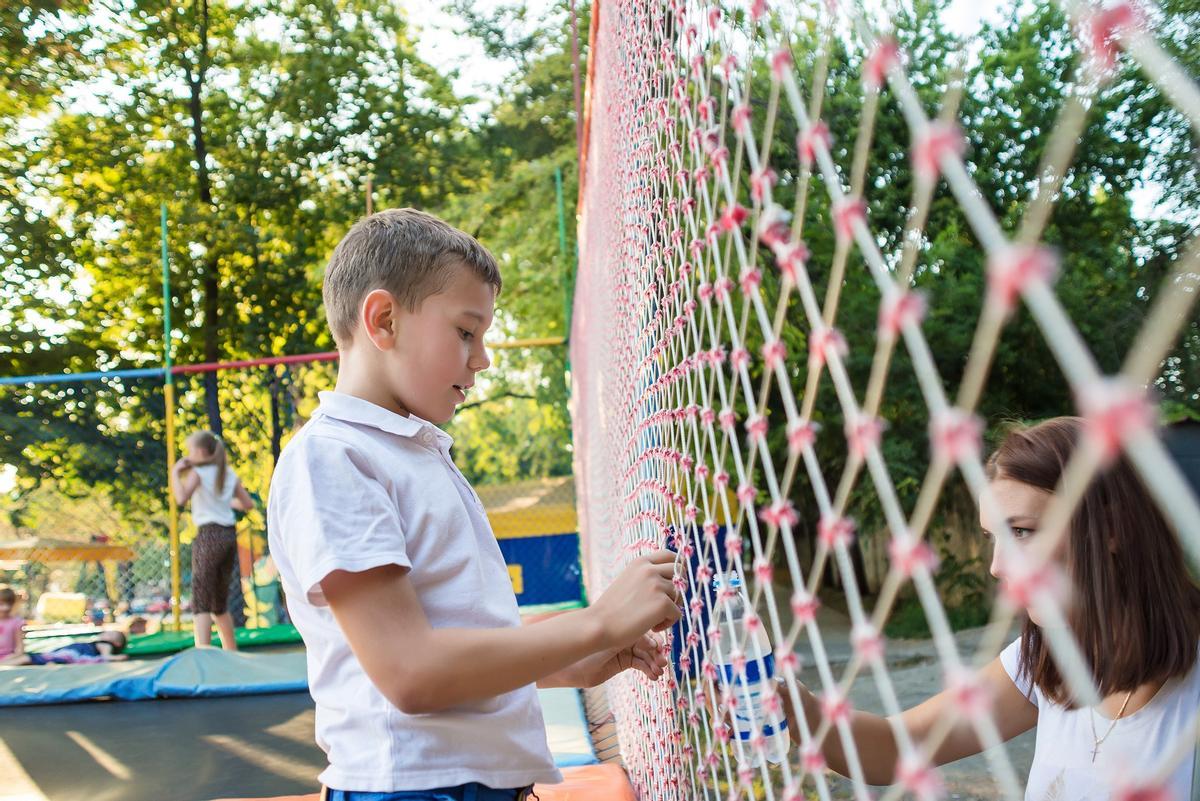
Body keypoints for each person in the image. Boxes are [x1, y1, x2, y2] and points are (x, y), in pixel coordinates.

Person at [268, 208, 681, 800]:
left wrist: (571, 657)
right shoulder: (334, 458)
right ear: (383, 320)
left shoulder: (418, 453)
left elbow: (459, 636)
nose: (483, 358)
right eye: (466, 332)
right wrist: (596, 622)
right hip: (412, 789)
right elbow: (411, 672)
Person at [780, 416, 1200, 799]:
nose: (998, 568)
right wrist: (788, 704)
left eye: (1021, 531)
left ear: (1110, 529)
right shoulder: (1043, 661)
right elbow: (895, 747)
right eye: (991, 537)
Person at [173, 429, 257, 650]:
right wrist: (224, 503)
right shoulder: (228, 473)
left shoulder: (199, 473)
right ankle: (231, 650)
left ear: (200, 451)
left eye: (190, 450)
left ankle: (203, 652)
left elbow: (181, 498)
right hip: (228, 535)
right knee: (219, 600)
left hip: (209, 534)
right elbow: (248, 504)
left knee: (201, 597)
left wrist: (175, 473)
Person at [1, 630, 127, 665]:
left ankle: (4, 664)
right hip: (66, 653)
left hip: (69, 655)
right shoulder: (99, 643)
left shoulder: (105, 644)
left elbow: (106, 656)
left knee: (28, 658)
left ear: (116, 644)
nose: (106, 634)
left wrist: (116, 658)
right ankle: (4, 662)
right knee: (29, 657)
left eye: (111, 634)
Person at [0, 586, 25, 662]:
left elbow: (19, 650)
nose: (6, 608)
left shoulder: (16, 622)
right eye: (1, 604)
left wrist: (6, 659)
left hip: (9, 658)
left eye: (9, 604)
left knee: (25, 659)